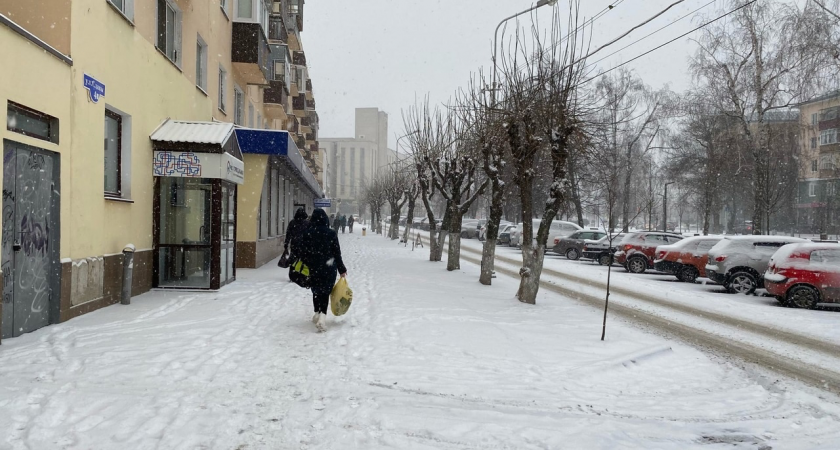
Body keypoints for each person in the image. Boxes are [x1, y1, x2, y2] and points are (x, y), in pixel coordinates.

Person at [293, 208, 347, 332]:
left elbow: (302, 252)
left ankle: (317, 312)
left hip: (313, 268)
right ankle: (322, 316)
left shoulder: (308, 233)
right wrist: (342, 269)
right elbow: (337, 253)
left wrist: (308, 261)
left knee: (316, 291)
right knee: (325, 292)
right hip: (329, 268)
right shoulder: (331, 233)